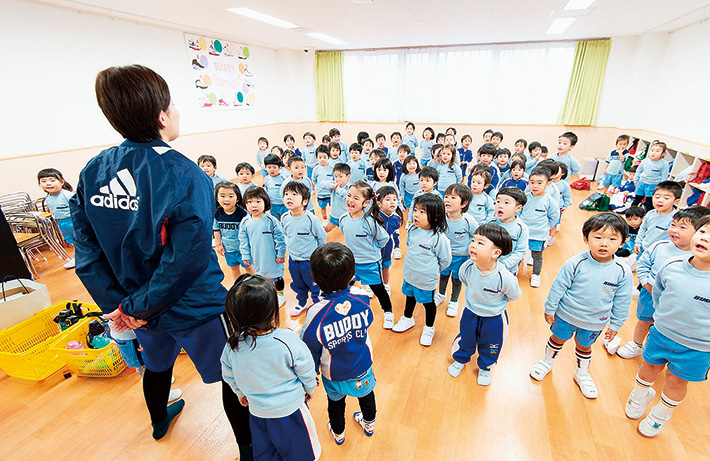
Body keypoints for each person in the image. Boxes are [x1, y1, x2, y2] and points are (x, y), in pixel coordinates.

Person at [72, 65, 250, 455]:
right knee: (232, 378)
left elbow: (86, 253)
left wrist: (120, 307)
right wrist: (134, 307)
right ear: (161, 116)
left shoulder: (93, 171)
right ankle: (248, 450)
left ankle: (158, 420)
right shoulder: (185, 174)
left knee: (156, 367)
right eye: (174, 103)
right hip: (192, 306)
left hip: (137, 309)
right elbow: (187, 260)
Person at [529, 213, 632, 399]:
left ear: (622, 242)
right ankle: (546, 362)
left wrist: (616, 325)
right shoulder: (576, 263)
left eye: (612, 239)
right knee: (557, 338)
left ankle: (582, 373)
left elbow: (622, 301)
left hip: (595, 322)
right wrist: (550, 308)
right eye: (598, 237)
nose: (604, 243)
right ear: (586, 238)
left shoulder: (622, 271)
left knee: (584, 346)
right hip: (566, 315)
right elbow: (558, 286)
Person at [623, 216, 710, 437]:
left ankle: (660, 415)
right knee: (649, 365)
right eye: (703, 232)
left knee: (676, 379)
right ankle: (639, 394)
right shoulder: (671, 266)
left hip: (698, 347)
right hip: (662, 333)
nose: (706, 239)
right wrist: (663, 319)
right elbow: (659, 293)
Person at [221, 274, 321, 460]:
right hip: (291, 411)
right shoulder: (287, 339)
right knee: (301, 453)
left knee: (266, 453)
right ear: (273, 313)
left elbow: (228, 374)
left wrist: (240, 393)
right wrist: (310, 388)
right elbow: (306, 368)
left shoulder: (232, 345)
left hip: (258, 413)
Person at [300, 242, 378, 445]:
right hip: (362, 365)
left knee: (335, 404)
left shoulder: (316, 314)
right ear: (352, 275)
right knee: (367, 396)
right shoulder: (362, 297)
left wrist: (311, 374)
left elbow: (309, 350)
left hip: (333, 373)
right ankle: (369, 423)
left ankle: (339, 433)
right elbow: (368, 320)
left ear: (315, 280)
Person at [613, 206, 710, 358]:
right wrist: (645, 282)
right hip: (650, 293)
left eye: (682, 227)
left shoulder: (699, 257)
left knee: (664, 327)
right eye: (673, 225)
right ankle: (636, 344)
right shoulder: (660, 246)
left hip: (675, 302)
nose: (674, 230)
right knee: (644, 320)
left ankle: (659, 349)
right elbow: (643, 263)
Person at [449, 223, 521, 385]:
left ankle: (485, 366)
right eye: (473, 240)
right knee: (466, 338)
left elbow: (514, 295)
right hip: (470, 312)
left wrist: (493, 305)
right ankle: (461, 359)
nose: (473, 245)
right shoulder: (467, 267)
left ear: (496, 253)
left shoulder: (504, 277)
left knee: (491, 345)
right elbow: (465, 281)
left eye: (480, 243)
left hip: (493, 318)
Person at [392, 194, 452, 346]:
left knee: (428, 303)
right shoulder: (412, 229)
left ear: (436, 215)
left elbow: (445, 260)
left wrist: (431, 270)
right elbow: (409, 245)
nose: (416, 214)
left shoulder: (438, 238)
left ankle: (429, 327)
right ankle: (408, 318)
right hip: (410, 274)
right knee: (409, 297)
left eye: (422, 212)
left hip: (426, 279)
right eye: (416, 210)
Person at [339, 181, 393, 328]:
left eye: (356, 198)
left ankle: (388, 312)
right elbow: (346, 233)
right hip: (351, 263)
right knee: (345, 286)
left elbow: (384, 239)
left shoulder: (370, 222)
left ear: (366, 203)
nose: (350, 200)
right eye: (349, 195)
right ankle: (342, 309)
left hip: (370, 263)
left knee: (379, 289)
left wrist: (372, 251)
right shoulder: (344, 218)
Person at [281, 182, 327, 317]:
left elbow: (321, 237)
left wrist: (320, 257)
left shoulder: (311, 219)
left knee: (314, 285)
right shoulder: (284, 218)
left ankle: (316, 305)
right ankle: (301, 303)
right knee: (298, 283)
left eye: (294, 194)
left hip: (310, 261)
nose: (289, 197)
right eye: (286, 194)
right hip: (294, 259)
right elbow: (285, 234)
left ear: (305, 201)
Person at [238, 186, 287, 306]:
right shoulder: (245, 222)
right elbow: (243, 240)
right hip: (257, 256)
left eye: (258, 201)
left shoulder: (271, 220)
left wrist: (281, 254)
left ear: (265, 202)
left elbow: (280, 239)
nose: (254, 205)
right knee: (262, 277)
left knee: (276, 276)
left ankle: (280, 294)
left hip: (272, 256)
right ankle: (267, 294)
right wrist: (245, 255)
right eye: (249, 202)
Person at [435, 183, 478, 317]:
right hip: (444, 255)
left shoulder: (468, 220)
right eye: (446, 196)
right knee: (443, 276)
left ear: (463, 204)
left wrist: (472, 251)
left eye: (453, 197)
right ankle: (441, 294)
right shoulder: (441, 217)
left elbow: (475, 236)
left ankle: (454, 301)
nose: (447, 200)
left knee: (456, 279)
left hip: (461, 256)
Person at [520, 166, 560, 288]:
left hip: (538, 235)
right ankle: (512, 271)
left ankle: (536, 275)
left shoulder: (549, 201)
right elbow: (518, 211)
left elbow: (554, 217)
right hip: (522, 233)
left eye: (539, 183)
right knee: (518, 252)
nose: (535, 186)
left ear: (547, 184)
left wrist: (546, 227)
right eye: (532, 182)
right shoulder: (525, 197)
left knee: (537, 255)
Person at [37, 168, 76, 269]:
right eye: (44, 181)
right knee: (72, 241)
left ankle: (77, 258)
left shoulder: (67, 195)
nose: (48, 184)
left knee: (78, 241)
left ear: (62, 182)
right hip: (62, 222)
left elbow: (78, 208)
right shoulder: (48, 198)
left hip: (72, 220)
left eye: (52, 180)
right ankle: (78, 258)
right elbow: (53, 211)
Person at [213, 182, 252, 279]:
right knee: (234, 269)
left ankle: (256, 286)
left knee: (249, 268)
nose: (226, 199)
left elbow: (249, 231)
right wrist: (218, 245)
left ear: (237, 198)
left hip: (243, 249)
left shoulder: (243, 214)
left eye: (231, 196)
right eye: (222, 196)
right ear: (217, 198)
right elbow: (217, 230)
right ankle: (238, 286)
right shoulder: (217, 214)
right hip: (228, 249)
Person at [635, 181, 682, 255]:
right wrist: (638, 242)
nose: (660, 200)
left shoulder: (675, 218)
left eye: (666, 198)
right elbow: (643, 228)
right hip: (645, 248)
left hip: (661, 253)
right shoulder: (650, 214)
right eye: (657, 197)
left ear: (676, 201)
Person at [490, 187, 529, 275]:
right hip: (487, 268)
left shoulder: (521, 228)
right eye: (498, 201)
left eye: (506, 203)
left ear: (518, 208)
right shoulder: (490, 223)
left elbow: (520, 251)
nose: (500, 205)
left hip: (508, 271)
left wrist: (504, 264)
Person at [376, 185, 403, 295]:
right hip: (375, 248)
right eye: (388, 199)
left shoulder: (397, 219)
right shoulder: (375, 216)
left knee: (386, 266)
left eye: (394, 199)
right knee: (375, 267)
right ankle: (373, 285)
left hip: (388, 247)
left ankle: (386, 285)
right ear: (379, 203)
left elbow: (395, 235)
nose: (392, 202)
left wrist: (397, 247)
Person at [631, 141, 671, 212]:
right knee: (636, 200)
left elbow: (664, 177)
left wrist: (661, 188)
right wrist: (636, 180)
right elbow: (639, 170)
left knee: (649, 203)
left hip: (653, 186)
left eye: (657, 151)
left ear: (663, 153)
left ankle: (647, 217)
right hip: (642, 183)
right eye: (652, 150)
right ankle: (630, 214)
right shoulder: (645, 161)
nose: (653, 153)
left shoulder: (664, 164)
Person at [323, 163, 351, 233]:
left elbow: (347, 194)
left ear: (348, 177)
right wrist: (332, 185)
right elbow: (322, 184)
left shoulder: (350, 187)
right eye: (336, 177)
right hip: (334, 215)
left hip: (346, 217)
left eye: (340, 176)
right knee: (327, 229)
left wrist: (338, 189)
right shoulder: (334, 185)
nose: (338, 179)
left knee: (347, 233)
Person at [312, 146, 334, 224]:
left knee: (333, 206)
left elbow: (335, 180)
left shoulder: (332, 168)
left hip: (331, 193)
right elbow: (314, 180)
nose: (322, 159)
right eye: (320, 157)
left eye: (324, 157)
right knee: (322, 207)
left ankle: (332, 218)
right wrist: (318, 188)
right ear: (316, 157)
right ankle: (324, 219)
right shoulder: (316, 169)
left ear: (328, 157)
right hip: (321, 194)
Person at [262, 154, 288, 219]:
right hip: (273, 205)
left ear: (279, 168)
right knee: (275, 220)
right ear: (265, 168)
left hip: (283, 204)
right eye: (269, 167)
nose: (272, 170)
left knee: (285, 219)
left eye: (274, 167)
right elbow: (267, 190)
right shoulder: (266, 179)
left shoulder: (284, 178)